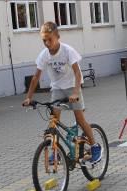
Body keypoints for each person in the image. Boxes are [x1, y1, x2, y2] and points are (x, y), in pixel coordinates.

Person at [22, 21, 101, 163]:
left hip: (72, 87)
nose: (47, 43)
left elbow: (77, 73)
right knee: (53, 121)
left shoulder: (67, 51)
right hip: (57, 89)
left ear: (57, 36)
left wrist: (76, 92)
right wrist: (29, 97)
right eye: (44, 40)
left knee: (80, 120)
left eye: (49, 39)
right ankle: (56, 151)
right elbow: (36, 77)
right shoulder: (44, 55)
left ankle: (95, 146)